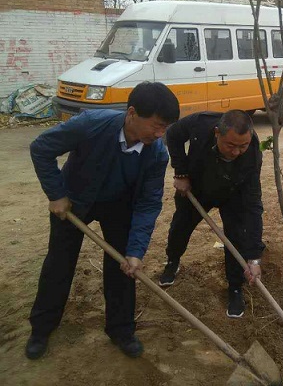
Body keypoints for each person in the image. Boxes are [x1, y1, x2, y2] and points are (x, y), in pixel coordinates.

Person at [26, 82, 180, 360]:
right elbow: (41, 148)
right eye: (156, 126)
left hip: (120, 204)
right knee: (59, 263)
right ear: (132, 113)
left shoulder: (157, 153)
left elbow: (148, 203)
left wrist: (135, 251)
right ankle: (41, 328)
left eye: (165, 128)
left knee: (123, 267)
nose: (160, 135)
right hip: (74, 200)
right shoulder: (90, 124)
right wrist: (57, 194)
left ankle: (121, 330)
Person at [158, 110, 264, 319]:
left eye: (242, 146)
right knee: (181, 226)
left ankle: (235, 288)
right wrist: (180, 172)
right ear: (217, 133)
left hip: (233, 192)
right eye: (231, 145)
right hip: (196, 186)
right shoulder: (200, 124)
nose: (236, 152)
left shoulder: (251, 154)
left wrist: (254, 258)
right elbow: (173, 135)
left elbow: (253, 205)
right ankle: (172, 261)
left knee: (236, 237)